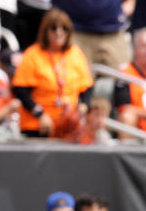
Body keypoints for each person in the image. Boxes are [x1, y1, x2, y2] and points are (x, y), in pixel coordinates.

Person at [11, 8, 93, 139]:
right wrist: (40, 115)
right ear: (45, 31)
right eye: (54, 28)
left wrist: (83, 108)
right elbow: (20, 90)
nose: (59, 33)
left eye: (64, 28)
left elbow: (87, 87)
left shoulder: (75, 53)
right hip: (38, 124)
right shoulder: (33, 54)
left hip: (68, 124)